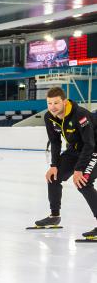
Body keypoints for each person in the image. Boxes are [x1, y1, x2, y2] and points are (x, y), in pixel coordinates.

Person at [34, 87, 97, 238]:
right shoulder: (49, 117)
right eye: (49, 103)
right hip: (74, 150)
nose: (52, 107)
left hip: (94, 148)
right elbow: (55, 142)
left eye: (56, 103)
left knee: (83, 182)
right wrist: (54, 165)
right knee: (53, 177)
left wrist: (79, 169)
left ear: (64, 101)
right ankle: (54, 216)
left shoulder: (80, 114)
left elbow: (89, 143)